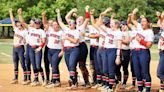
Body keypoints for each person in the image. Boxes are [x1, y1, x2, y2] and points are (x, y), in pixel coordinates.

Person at [65, 6, 91, 88]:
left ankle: (87, 82)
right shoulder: (71, 27)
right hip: (73, 46)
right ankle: (74, 81)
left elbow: (87, 18)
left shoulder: (82, 26)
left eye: (81, 19)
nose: (80, 20)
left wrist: (86, 10)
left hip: (81, 46)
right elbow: (67, 17)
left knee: (82, 65)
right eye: (78, 19)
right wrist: (71, 10)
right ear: (76, 21)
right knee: (72, 64)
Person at [130, 8, 154, 92]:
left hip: (143, 52)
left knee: (145, 71)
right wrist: (134, 12)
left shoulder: (149, 32)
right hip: (135, 52)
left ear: (148, 23)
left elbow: (149, 45)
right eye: (142, 21)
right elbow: (132, 19)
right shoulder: (139, 27)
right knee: (137, 72)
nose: (142, 22)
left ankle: (147, 89)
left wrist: (141, 41)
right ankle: (140, 89)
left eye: (144, 21)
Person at [56, 8, 80, 89]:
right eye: (69, 23)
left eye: (71, 23)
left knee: (72, 65)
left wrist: (67, 38)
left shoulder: (76, 31)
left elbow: (76, 41)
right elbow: (59, 21)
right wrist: (58, 13)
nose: (69, 24)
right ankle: (75, 81)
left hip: (74, 49)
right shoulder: (66, 29)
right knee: (69, 67)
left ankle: (74, 83)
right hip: (66, 50)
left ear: (75, 25)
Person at [9, 8, 27, 84]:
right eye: (17, 23)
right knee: (15, 64)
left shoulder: (25, 31)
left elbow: (23, 23)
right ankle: (15, 78)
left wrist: (20, 14)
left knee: (23, 63)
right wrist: (10, 12)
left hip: (20, 48)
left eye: (19, 23)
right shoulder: (16, 29)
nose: (18, 24)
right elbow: (12, 20)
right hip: (14, 48)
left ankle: (26, 78)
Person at [17, 8, 35, 85]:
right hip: (28, 47)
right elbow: (22, 22)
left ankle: (36, 79)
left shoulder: (36, 30)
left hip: (34, 47)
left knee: (34, 64)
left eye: (31, 22)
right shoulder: (28, 29)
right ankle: (28, 79)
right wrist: (20, 14)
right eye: (30, 23)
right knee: (27, 63)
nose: (29, 23)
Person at [41, 11, 54, 86]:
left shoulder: (54, 29)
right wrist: (43, 16)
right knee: (46, 64)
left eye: (52, 23)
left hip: (54, 49)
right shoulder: (46, 29)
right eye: (49, 23)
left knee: (53, 64)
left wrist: (43, 16)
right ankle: (47, 79)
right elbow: (44, 23)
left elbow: (44, 22)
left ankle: (54, 78)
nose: (50, 24)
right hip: (47, 48)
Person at [156, 11, 164, 92]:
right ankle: (162, 88)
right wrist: (160, 17)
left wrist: (160, 16)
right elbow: (160, 23)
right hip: (161, 52)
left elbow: (161, 22)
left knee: (160, 73)